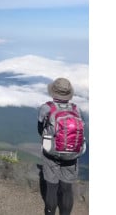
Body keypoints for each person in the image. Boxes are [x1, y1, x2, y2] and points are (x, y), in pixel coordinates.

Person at [37, 78, 84, 215]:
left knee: (52, 188)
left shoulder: (46, 108)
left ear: (53, 92)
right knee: (66, 188)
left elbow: (40, 130)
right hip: (71, 155)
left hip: (51, 154)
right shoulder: (76, 109)